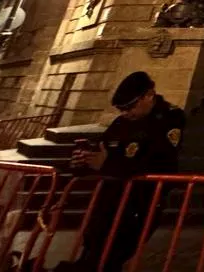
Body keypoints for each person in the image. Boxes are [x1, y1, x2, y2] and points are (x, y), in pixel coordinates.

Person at [55, 71, 185, 272]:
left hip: (141, 200)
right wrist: (83, 161)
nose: (126, 112)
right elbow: (104, 150)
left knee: (112, 254)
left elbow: (159, 162)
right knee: (93, 246)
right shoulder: (121, 122)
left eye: (130, 106)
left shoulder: (169, 117)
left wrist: (107, 165)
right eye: (122, 108)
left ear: (148, 95)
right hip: (111, 197)